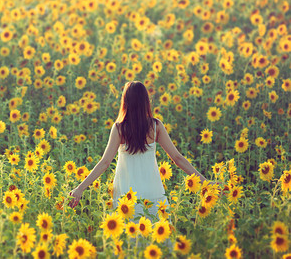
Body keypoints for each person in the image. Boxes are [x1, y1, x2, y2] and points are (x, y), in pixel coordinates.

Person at [68, 81, 219, 250]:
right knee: (158, 248)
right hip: (154, 197)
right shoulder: (155, 126)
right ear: (146, 101)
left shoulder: (119, 129)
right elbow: (177, 158)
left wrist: (80, 188)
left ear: (125, 102)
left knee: (129, 249)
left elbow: (104, 163)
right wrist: (206, 181)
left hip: (127, 200)